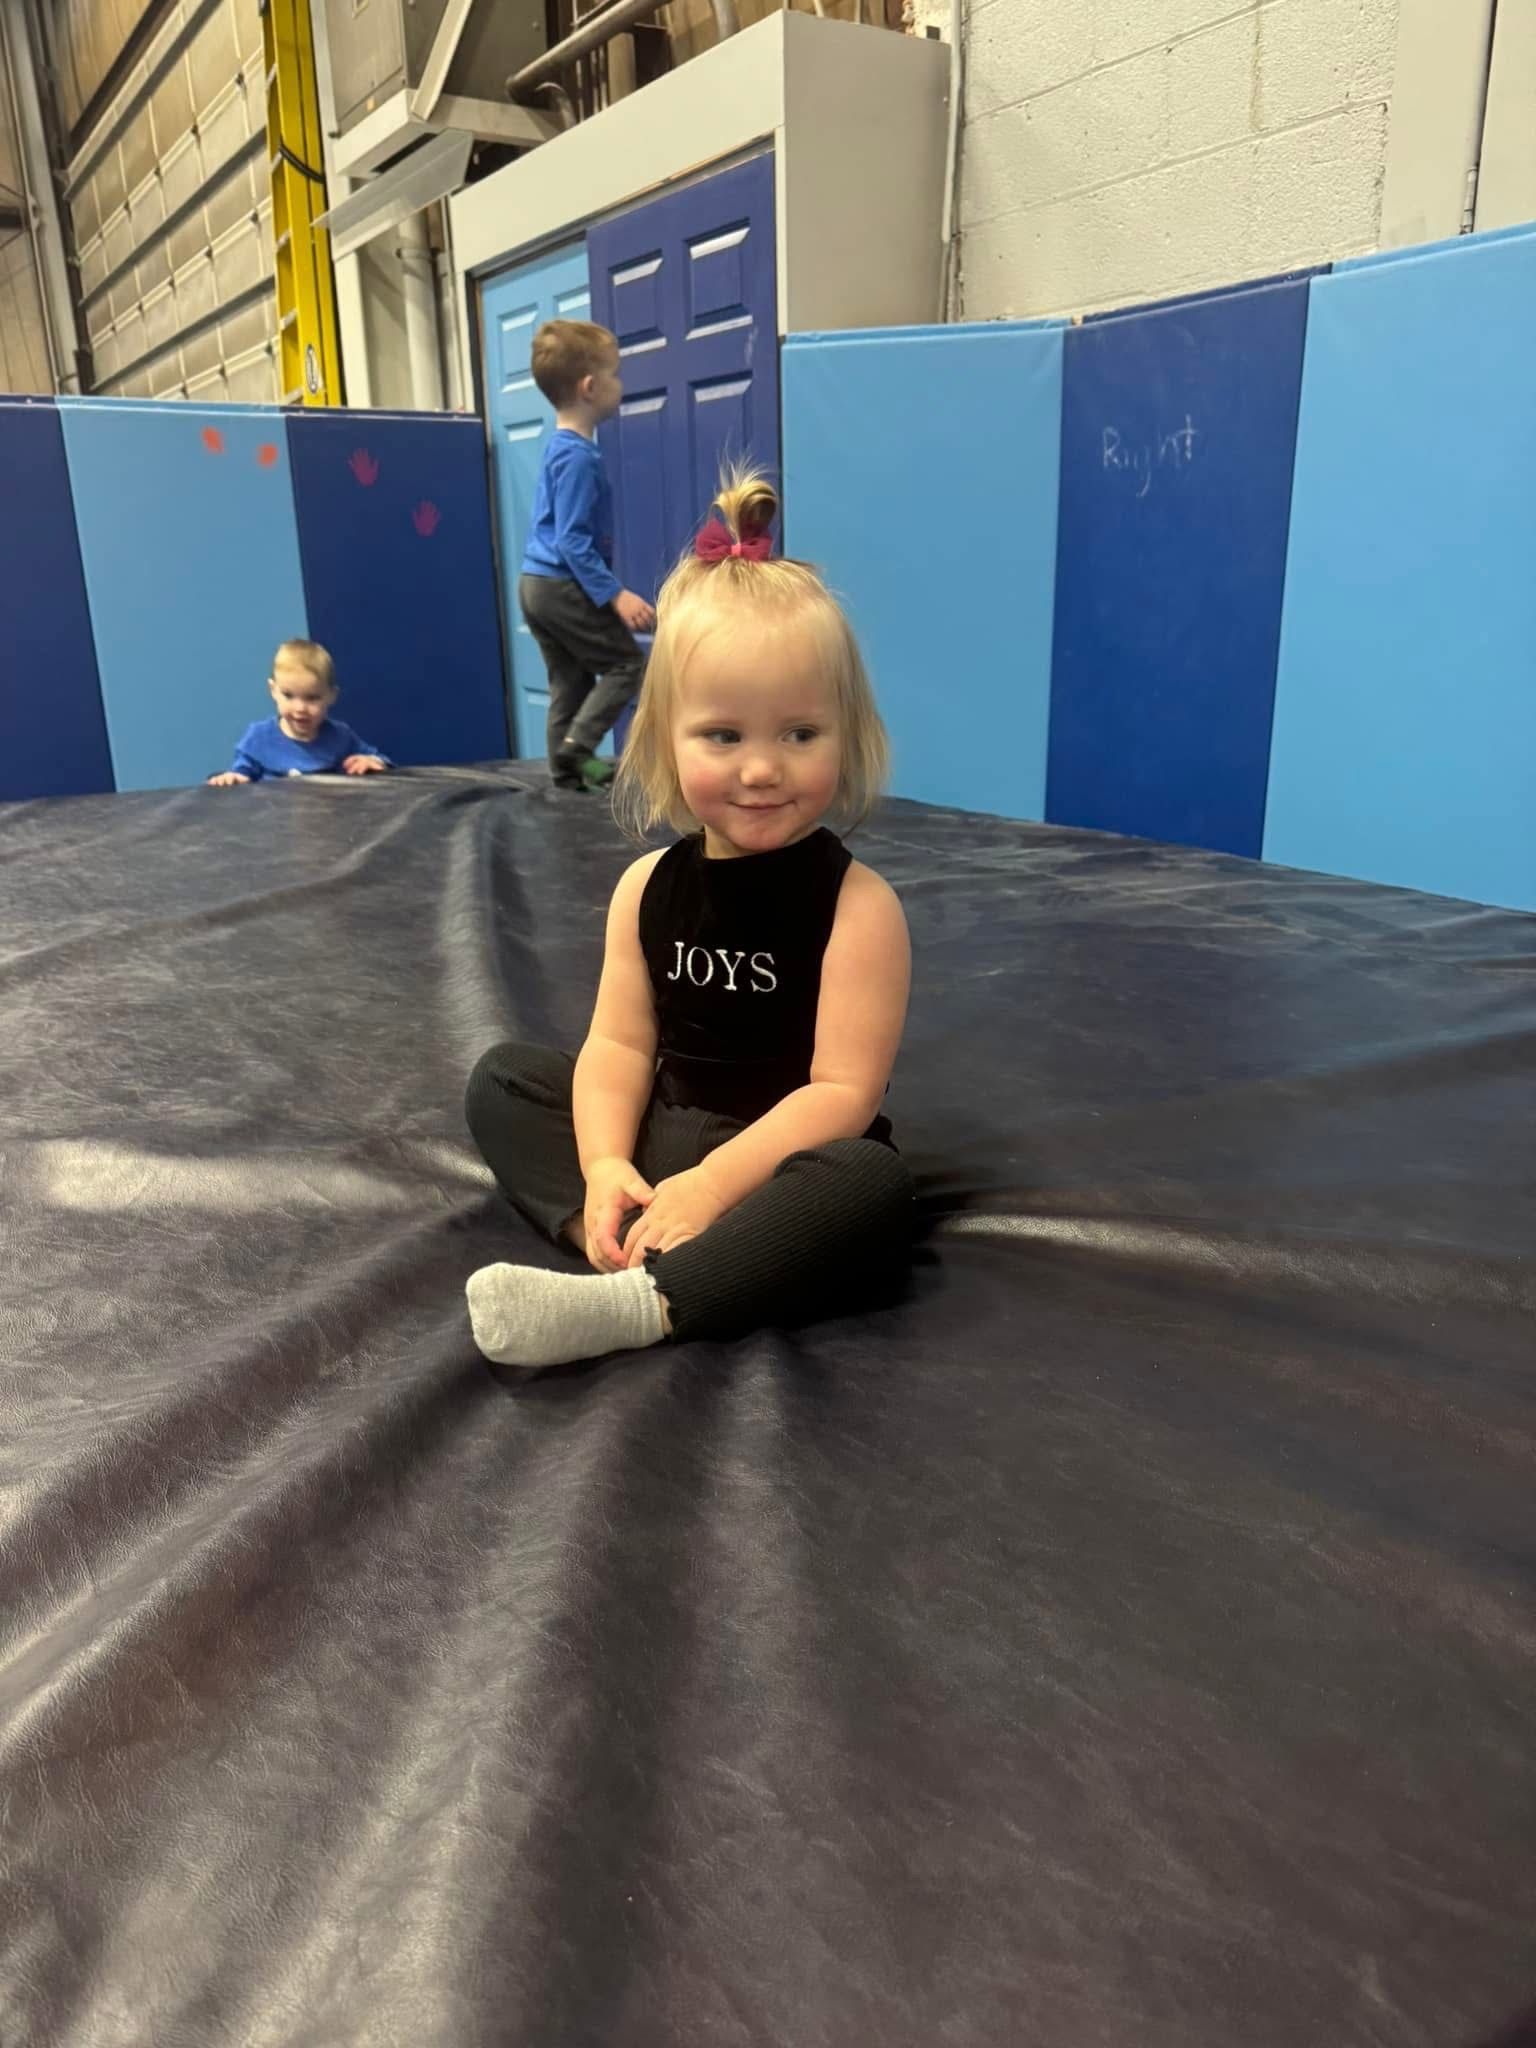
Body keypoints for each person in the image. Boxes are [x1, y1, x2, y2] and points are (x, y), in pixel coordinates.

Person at [463, 469, 915, 1370]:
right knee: (504, 1081)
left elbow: (842, 1095)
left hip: (782, 1164)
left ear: (846, 733)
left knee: (873, 1182)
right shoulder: (645, 890)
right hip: (665, 1140)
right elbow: (620, 1049)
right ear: (665, 737)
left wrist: (715, 1184)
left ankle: (650, 1302)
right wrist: (600, 1166)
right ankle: (621, 1231)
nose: (761, 770)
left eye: (798, 735)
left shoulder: (859, 906)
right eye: (724, 736)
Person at [519, 319, 656, 792]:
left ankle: (566, 773)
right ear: (590, 387)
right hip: (559, 585)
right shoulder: (578, 458)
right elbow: (573, 541)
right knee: (628, 665)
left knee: (571, 682)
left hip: (534, 585)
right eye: (615, 375)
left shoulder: (560, 449)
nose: (620, 385)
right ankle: (578, 750)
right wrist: (616, 597)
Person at [209, 640, 388, 785]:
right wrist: (233, 780)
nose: (300, 708)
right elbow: (241, 775)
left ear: (331, 696)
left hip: (329, 819)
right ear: (273, 690)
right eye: (288, 695)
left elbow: (377, 758)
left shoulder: (340, 736)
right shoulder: (259, 738)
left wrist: (371, 761)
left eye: (312, 698)